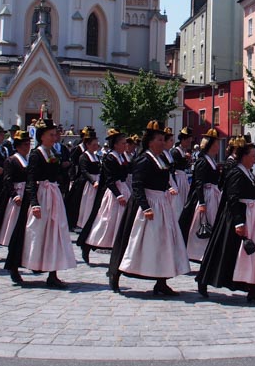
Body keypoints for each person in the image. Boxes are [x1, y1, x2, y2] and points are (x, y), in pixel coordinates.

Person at [108, 121, 190, 295]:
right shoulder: (144, 160)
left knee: (164, 243)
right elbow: (137, 186)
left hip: (161, 204)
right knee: (132, 242)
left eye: (163, 139)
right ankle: (116, 274)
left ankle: (162, 281)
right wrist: (145, 208)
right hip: (145, 205)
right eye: (160, 139)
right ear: (151, 142)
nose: (163, 142)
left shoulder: (159, 159)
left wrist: (168, 189)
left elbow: (162, 179)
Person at [196, 137, 255, 303]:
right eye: (253, 156)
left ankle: (254, 288)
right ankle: (205, 279)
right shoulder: (236, 172)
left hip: (251, 216)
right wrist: (239, 222)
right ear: (244, 156)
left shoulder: (247, 172)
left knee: (251, 253)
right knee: (225, 252)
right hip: (238, 217)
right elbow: (232, 198)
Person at [5, 118, 76, 288]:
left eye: (55, 134)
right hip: (40, 196)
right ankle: (16, 265)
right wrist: (34, 203)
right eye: (51, 134)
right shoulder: (37, 154)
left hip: (53, 195)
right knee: (31, 231)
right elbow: (31, 178)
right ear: (42, 136)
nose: (54, 137)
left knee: (54, 232)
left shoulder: (52, 153)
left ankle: (53, 272)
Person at [78, 128, 131, 263]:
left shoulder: (122, 156)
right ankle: (88, 244)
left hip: (123, 188)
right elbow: (109, 179)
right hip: (112, 193)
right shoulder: (109, 158)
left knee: (121, 222)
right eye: (123, 143)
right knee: (105, 223)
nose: (125, 145)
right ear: (116, 144)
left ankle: (119, 250)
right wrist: (118, 195)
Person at [0, 130, 31, 259]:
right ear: (18, 146)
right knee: (4, 220)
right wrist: (14, 194)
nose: (28, 147)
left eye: (28, 144)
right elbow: (7, 180)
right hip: (12, 194)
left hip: (25, 193)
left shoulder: (28, 160)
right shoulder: (11, 160)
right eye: (25, 144)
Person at [178, 128, 222, 263]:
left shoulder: (211, 160)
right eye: (216, 144)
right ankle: (198, 252)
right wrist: (202, 203)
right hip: (206, 196)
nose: (218, 147)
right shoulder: (203, 162)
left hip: (213, 194)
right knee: (203, 223)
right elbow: (199, 183)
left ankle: (209, 251)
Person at [64, 128, 100, 231]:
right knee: (82, 204)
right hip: (85, 182)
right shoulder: (83, 155)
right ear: (87, 144)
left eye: (96, 144)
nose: (96, 146)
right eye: (93, 144)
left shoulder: (96, 156)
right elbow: (82, 170)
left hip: (96, 181)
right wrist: (92, 181)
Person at [169, 127, 194, 210]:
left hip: (183, 178)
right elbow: (173, 167)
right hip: (178, 179)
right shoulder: (175, 151)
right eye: (187, 141)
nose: (189, 143)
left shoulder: (183, 151)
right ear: (182, 140)